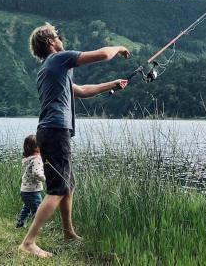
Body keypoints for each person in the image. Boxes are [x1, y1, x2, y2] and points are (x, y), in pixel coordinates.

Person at [19, 23, 129, 258]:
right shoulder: (59, 59)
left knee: (67, 186)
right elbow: (102, 54)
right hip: (55, 131)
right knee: (57, 189)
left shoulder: (50, 68)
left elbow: (82, 90)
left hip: (51, 131)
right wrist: (118, 47)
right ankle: (29, 242)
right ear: (51, 42)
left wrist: (112, 84)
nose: (61, 39)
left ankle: (68, 233)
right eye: (58, 36)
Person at [16, 134, 45, 228]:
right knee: (38, 210)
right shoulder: (37, 159)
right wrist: (45, 179)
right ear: (37, 147)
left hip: (25, 190)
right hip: (33, 191)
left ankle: (20, 223)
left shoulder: (27, 159)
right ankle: (36, 227)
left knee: (26, 208)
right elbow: (36, 173)